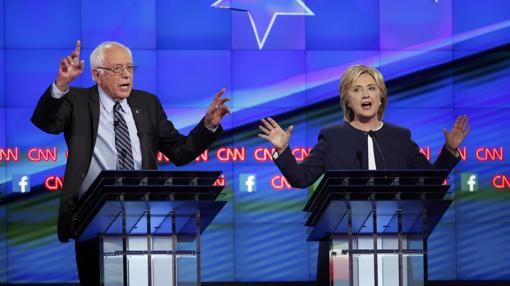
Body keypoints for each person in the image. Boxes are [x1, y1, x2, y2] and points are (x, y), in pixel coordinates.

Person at [31, 40, 230, 285]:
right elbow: (46, 123)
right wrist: (62, 84)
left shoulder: (147, 104)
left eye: (129, 68)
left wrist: (208, 125)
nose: (126, 74)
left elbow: (180, 152)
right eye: (117, 69)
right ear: (97, 75)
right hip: (94, 219)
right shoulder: (77, 101)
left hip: (146, 219)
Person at [258, 64, 469, 284]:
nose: (365, 94)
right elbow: (301, 178)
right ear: (347, 100)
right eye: (357, 89)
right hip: (343, 247)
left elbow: (431, 181)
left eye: (371, 88)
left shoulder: (400, 137)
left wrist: (450, 151)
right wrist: (282, 150)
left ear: (381, 98)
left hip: (394, 244)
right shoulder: (332, 137)